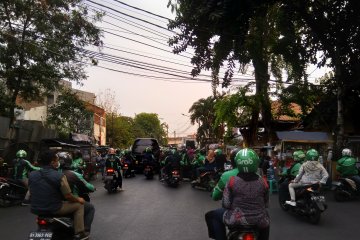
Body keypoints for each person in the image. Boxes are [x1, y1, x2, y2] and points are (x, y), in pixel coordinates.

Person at [205, 148, 270, 240]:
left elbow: (226, 204)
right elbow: (266, 204)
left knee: (213, 216)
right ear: (256, 162)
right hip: (259, 220)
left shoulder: (232, 181)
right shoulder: (262, 181)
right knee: (266, 216)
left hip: (236, 219)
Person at [28, 150, 89, 240]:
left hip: (36, 209)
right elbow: (68, 196)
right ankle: (79, 233)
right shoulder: (59, 175)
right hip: (54, 208)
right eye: (57, 161)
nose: (58, 163)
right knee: (79, 205)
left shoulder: (32, 175)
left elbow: (31, 191)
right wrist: (78, 199)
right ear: (53, 162)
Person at [58, 152, 95, 234]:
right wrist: (93, 188)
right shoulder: (73, 174)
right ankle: (83, 231)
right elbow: (88, 186)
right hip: (67, 201)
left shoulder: (52, 173)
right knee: (90, 208)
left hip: (53, 202)